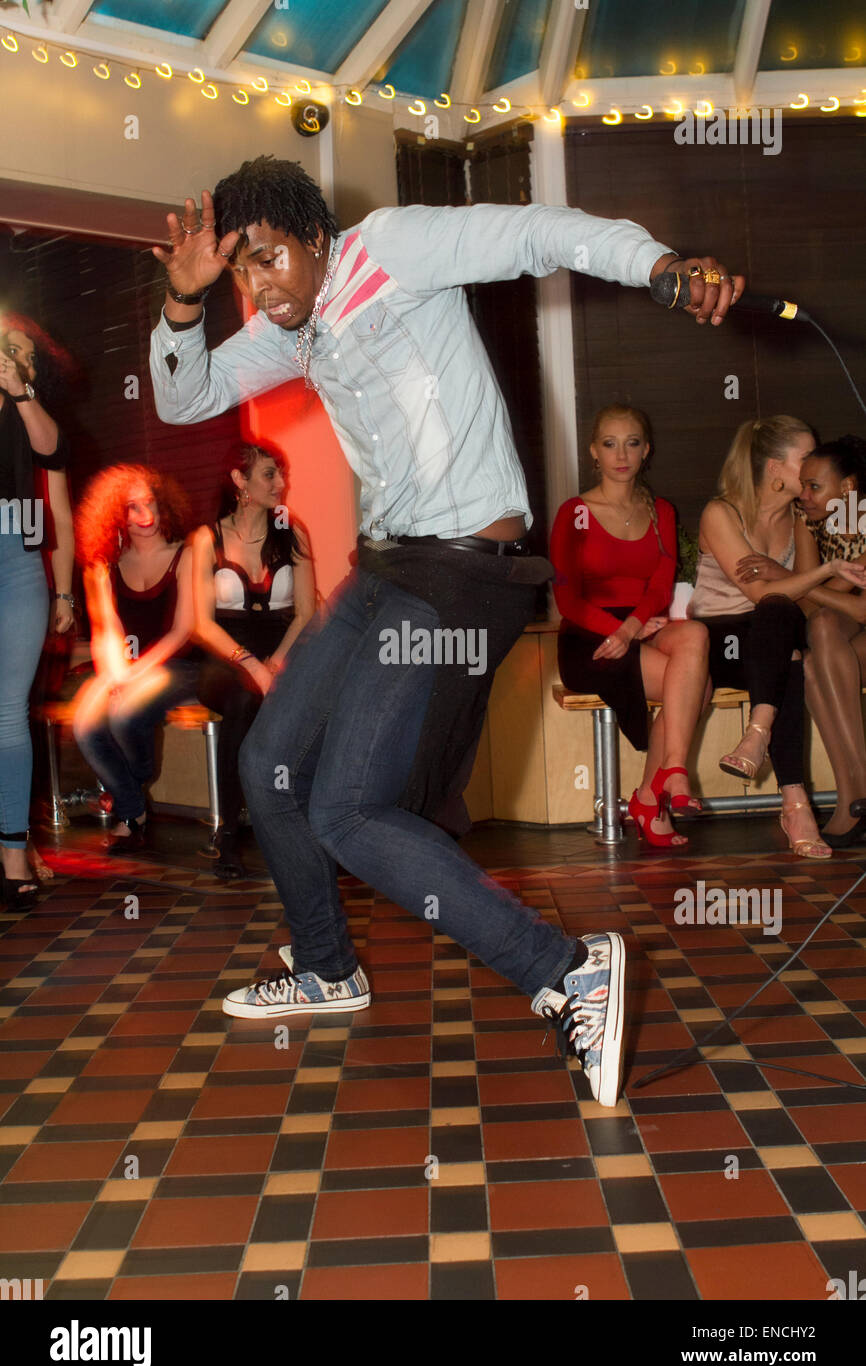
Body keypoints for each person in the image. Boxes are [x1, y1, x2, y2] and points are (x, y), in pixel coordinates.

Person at [148, 155, 743, 1107]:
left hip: (467, 570)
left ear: (314, 238)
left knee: (348, 808)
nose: (258, 287)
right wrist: (183, 310)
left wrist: (660, 264)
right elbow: (185, 396)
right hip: (389, 567)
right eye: (241, 275)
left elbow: (538, 232)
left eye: (268, 260)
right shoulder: (290, 330)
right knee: (271, 767)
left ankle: (566, 972)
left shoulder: (391, 247)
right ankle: (326, 965)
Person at [690, 417, 866, 858]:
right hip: (724, 640)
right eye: (805, 458)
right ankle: (805, 801)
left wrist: (794, 576)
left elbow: (809, 597)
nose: (811, 471)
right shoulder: (723, 512)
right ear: (774, 468)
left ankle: (765, 742)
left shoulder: (807, 516)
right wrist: (812, 575)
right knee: (789, 642)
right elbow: (775, 593)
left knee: (795, 648)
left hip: (775, 635)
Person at [551, 404, 710, 848]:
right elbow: (567, 598)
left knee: (695, 636)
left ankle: (664, 780)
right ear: (593, 453)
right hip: (589, 636)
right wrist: (619, 631)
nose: (621, 454)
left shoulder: (660, 510)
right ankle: (653, 796)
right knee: (700, 685)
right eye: (610, 443)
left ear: (646, 451)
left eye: (632, 443)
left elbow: (662, 584)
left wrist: (635, 625)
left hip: (643, 621)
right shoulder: (574, 513)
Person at [191, 444, 316, 877]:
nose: (280, 484)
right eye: (269, 475)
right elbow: (201, 624)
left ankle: (312, 823)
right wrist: (252, 665)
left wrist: (277, 663)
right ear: (239, 481)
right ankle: (227, 831)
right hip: (226, 657)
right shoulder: (206, 538)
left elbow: (306, 613)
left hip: (283, 650)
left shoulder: (292, 533)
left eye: (281, 474)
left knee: (316, 696)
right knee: (244, 702)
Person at [73, 465, 200, 853]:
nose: (145, 517)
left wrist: (132, 677)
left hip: (180, 665)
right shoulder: (102, 564)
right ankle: (134, 809)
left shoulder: (188, 552)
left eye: (152, 505)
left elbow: (183, 631)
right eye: (133, 508)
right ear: (117, 514)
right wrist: (115, 676)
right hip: (122, 667)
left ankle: (130, 797)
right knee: (84, 723)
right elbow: (105, 628)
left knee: (125, 714)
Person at [750, 436, 866, 846]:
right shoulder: (808, 520)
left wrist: (785, 578)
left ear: (848, 488)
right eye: (804, 484)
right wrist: (822, 579)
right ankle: (853, 801)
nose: (805, 494)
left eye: (815, 486)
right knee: (815, 650)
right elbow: (809, 602)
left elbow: (860, 609)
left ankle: (860, 790)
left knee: (824, 635)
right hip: (844, 634)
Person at [0, 313, 75, 908]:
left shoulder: (31, 414)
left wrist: (65, 592)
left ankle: (12, 849)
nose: (4, 354)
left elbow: (53, 459)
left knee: (7, 713)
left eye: (16, 349)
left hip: (17, 563)